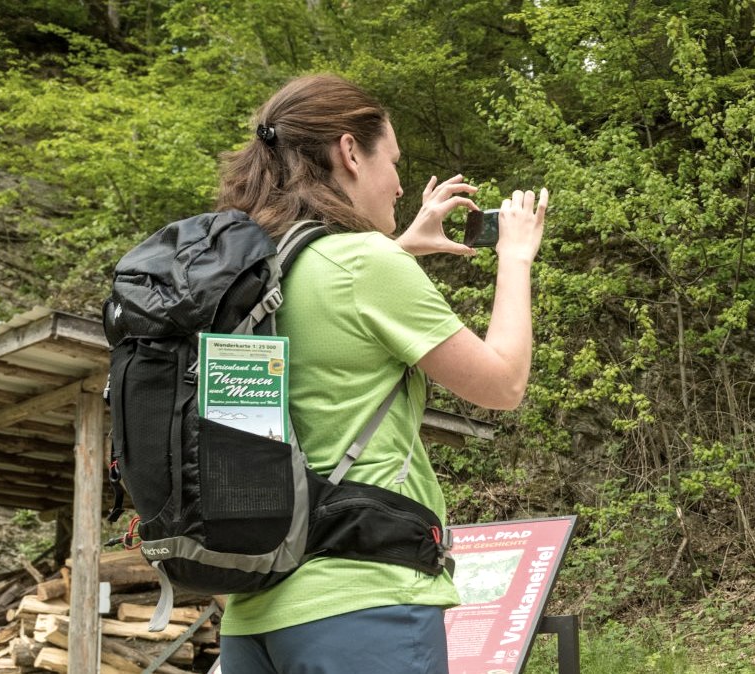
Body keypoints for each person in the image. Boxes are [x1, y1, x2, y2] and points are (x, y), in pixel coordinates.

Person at [211, 73, 548, 673]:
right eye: (392, 161)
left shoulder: (243, 269)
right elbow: (502, 384)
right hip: (364, 604)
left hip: (251, 616)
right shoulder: (363, 265)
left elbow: (325, 311)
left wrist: (402, 249)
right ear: (348, 152)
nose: (399, 184)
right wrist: (515, 259)